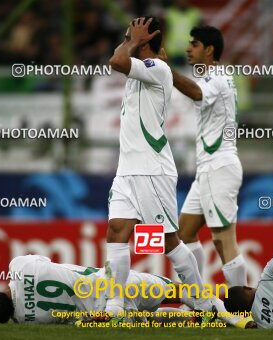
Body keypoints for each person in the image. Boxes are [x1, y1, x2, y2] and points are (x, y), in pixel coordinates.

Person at [105, 17, 214, 324]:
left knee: (166, 241)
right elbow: (118, 56)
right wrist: (132, 40)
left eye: (131, 35)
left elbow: (115, 59)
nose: (126, 38)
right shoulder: (140, 72)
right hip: (127, 171)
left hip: (152, 171)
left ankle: (200, 300)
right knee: (117, 232)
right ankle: (115, 304)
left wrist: (133, 42)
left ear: (145, 40)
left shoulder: (157, 69)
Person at [161, 25, 247, 287]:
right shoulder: (216, 76)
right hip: (207, 171)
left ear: (209, 50)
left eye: (195, 44)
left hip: (219, 167)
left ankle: (241, 306)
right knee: (184, 233)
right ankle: (198, 298)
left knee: (223, 240)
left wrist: (167, 71)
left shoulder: (216, 77)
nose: (188, 48)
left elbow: (197, 92)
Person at [0, 255, 254, 328]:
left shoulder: (26, 320)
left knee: (168, 320)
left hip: (107, 314)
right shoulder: (19, 267)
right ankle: (231, 315)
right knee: (182, 291)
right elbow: (46, 264)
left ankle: (208, 318)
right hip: (115, 282)